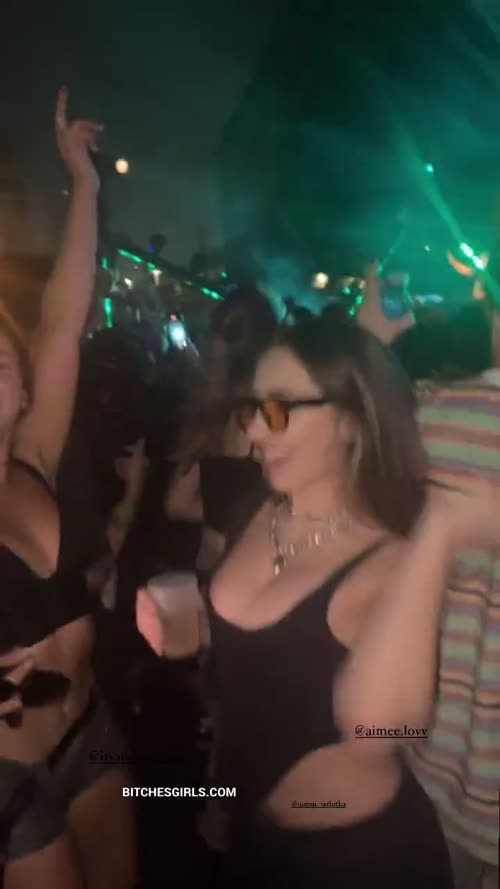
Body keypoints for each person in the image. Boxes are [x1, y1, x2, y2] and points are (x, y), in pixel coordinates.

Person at [206, 317, 459, 887]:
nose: (254, 430)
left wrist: (439, 536)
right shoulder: (253, 507)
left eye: (278, 410)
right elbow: (261, 661)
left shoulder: (392, 560)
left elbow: (384, 736)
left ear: (349, 422)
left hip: (357, 858)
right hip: (246, 830)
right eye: (252, 408)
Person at [0, 90, 136, 889]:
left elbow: (62, 317)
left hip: (93, 731)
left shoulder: (37, 457)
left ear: (23, 386)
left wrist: (83, 184)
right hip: (8, 777)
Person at [358, 262, 500, 889]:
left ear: (485, 296)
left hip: (450, 765)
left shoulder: (432, 419)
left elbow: (322, 469)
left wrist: (370, 344)